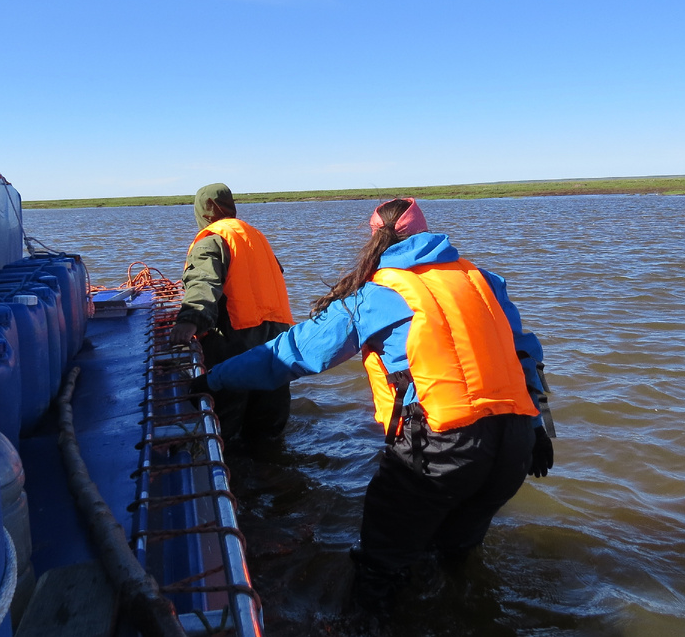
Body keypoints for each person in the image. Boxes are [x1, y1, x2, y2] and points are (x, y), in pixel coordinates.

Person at [192, 197, 555, 612]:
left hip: (437, 452)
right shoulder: (481, 278)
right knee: (457, 554)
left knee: (379, 569)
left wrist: (213, 379)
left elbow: (292, 353)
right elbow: (528, 356)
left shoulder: (377, 294)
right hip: (513, 445)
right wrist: (539, 429)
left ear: (376, 239)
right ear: (425, 231)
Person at [170, 183, 295, 455]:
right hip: (277, 338)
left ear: (202, 212)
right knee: (268, 426)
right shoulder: (254, 235)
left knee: (226, 424)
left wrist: (190, 320)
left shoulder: (212, 240)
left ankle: (233, 480)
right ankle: (274, 472)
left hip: (235, 341)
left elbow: (204, 283)